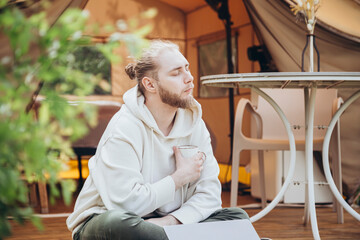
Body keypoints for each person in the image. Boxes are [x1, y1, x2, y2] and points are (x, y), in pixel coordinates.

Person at [66, 40, 249, 240]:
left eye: (187, 69)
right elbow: (126, 205)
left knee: (236, 217)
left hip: (162, 224)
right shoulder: (124, 127)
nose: (189, 78)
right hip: (111, 222)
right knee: (119, 224)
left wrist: (171, 222)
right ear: (150, 84)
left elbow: (210, 195)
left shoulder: (195, 125)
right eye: (176, 72)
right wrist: (179, 178)